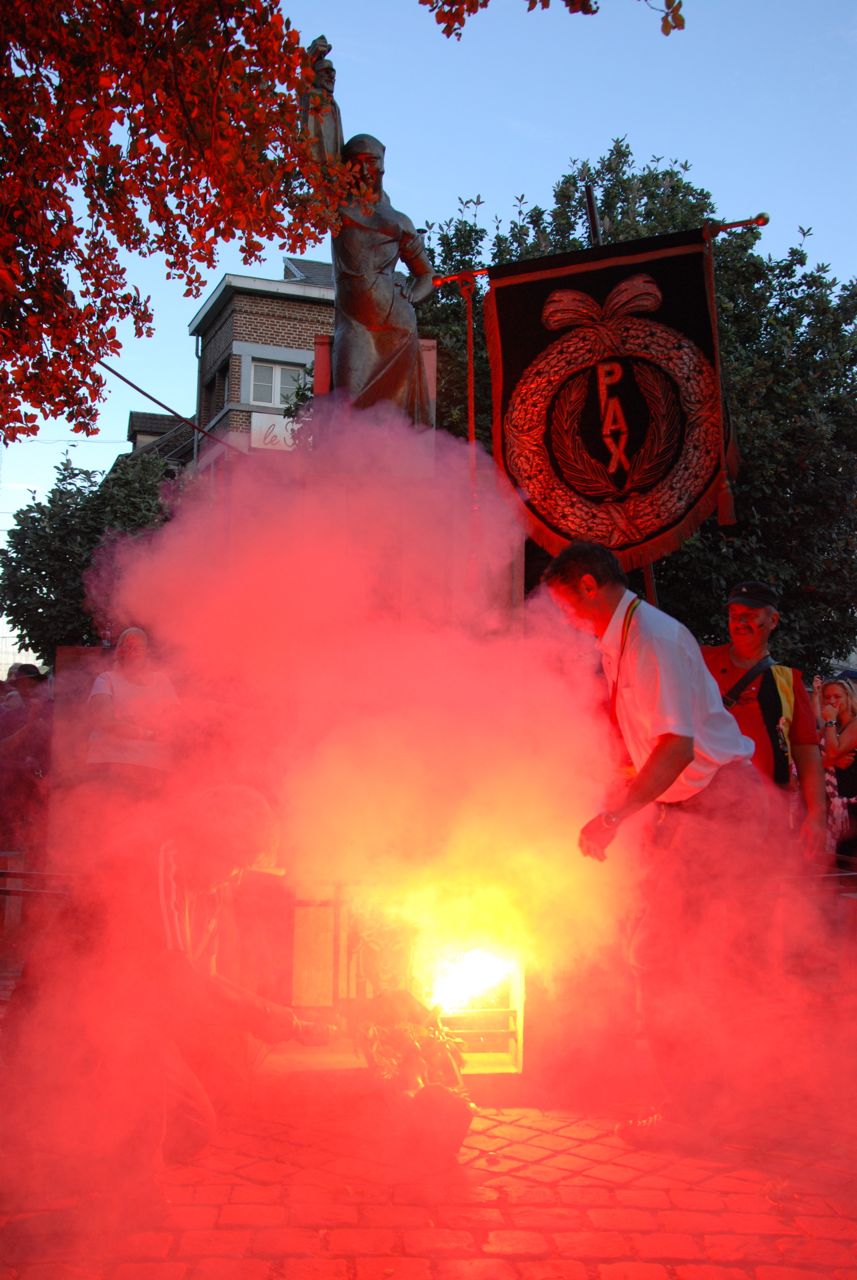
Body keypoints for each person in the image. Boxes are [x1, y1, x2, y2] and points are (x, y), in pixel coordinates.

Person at [543, 541, 771, 1140]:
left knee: (672, 960)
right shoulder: (622, 640)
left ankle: (697, 1113)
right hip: (693, 812)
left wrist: (614, 816)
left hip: (720, 809)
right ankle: (719, 1105)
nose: (564, 618)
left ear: (589, 585)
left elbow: (676, 749)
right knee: (678, 956)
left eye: (565, 604)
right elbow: (651, 748)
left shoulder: (654, 639)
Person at [701, 581, 827, 858]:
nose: (740, 622)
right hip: (700, 808)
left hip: (766, 815)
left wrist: (817, 815)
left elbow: (807, 753)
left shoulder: (788, 681)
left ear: (773, 620)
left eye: (750, 615)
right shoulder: (701, 660)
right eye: (734, 615)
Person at [331, 134, 435, 426]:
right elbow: (320, 153)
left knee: (396, 421)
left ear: (382, 165)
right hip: (355, 323)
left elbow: (426, 274)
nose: (365, 170)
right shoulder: (337, 206)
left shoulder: (399, 221)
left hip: (397, 327)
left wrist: (413, 295)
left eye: (371, 162)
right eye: (357, 162)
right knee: (347, 409)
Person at [86, 626, 178, 791]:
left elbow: (174, 722)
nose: (133, 651)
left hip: (154, 765)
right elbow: (105, 721)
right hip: (112, 761)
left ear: (146, 651)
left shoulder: (162, 681)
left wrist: (127, 724)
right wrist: (150, 733)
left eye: (139, 647)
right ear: (119, 650)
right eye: (128, 646)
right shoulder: (106, 679)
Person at [815, 675, 857, 866]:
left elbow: (832, 751)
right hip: (830, 805)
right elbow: (814, 756)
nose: (832, 701)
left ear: (849, 698)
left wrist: (830, 721)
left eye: (837, 696)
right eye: (827, 697)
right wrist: (830, 761)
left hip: (850, 810)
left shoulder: (854, 724)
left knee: (846, 862)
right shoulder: (832, 726)